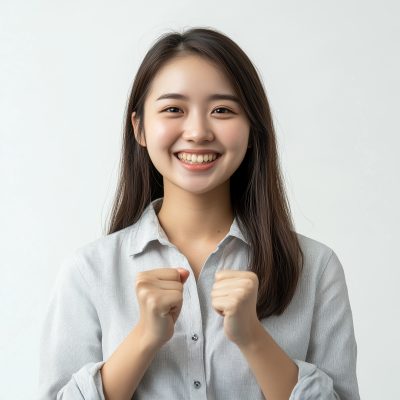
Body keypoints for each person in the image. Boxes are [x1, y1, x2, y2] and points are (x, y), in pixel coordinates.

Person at [38, 27, 360, 400]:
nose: (198, 131)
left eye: (222, 110)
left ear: (253, 130)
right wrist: (143, 338)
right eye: (173, 109)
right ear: (139, 127)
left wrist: (254, 338)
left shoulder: (316, 269)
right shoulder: (88, 273)